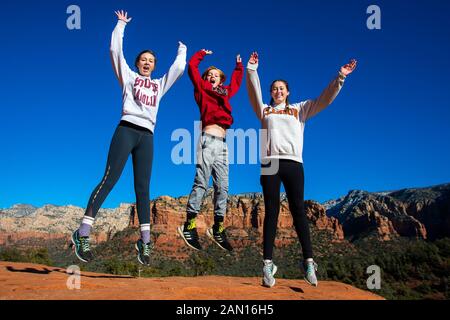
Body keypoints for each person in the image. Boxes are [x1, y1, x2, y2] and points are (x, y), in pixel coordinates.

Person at [71, 10, 187, 266]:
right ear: (137, 64)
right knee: (110, 178)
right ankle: (82, 233)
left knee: (143, 189)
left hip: (147, 136)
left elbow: (178, 70)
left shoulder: (159, 85)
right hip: (126, 129)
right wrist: (120, 25)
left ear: (155, 66)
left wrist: (182, 51)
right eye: (143, 60)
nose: (147, 63)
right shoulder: (128, 77)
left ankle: (145, 242)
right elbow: (115, 52)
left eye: (151, 61)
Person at [246, 51, 356, 287]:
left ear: (288, 91)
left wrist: (341, 77)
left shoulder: (300, 109)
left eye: (281, 88)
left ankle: (308, 262)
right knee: (272, 212)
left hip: (294, 163)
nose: (277, 91)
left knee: (298, 211)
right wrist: (252, 70)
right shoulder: (264, 110)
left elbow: (324, 99)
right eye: (274, 88)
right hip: (270, 163)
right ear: (271, 93)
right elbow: (253, 94)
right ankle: (267, 265)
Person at [177, 49, 243, 252]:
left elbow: (236, 84)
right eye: (210, 75)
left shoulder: (225, 92)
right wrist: (200, 55)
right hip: (207, 140)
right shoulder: (202, 88)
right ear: (205, 79)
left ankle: (218, 227)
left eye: (216, 75)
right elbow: (192, 68)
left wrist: (239, 67)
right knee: (201, 183)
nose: (213, 76)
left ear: (221, 79)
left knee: (223, 187)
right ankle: (189, 224)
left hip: (223, 144)